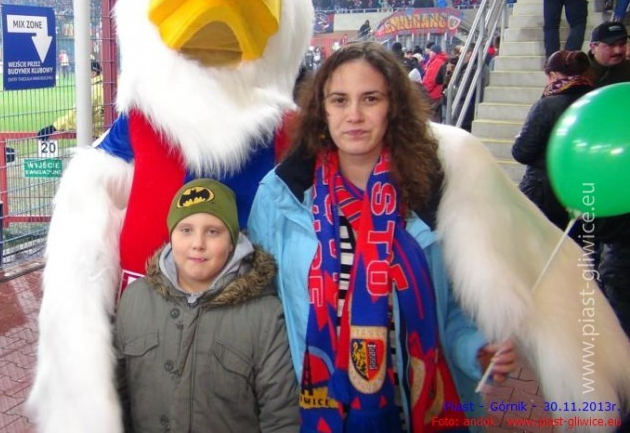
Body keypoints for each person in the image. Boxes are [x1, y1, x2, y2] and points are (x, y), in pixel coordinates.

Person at [247, 43, 517, 432]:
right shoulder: (282, 194)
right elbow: (265, 306)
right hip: (318, 410)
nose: (354, 115)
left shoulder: (436, 194)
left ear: (393, 107)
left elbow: (455, 308)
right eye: (339, 100)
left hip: (416, 410)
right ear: (322, 110)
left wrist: (475, 349)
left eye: (370, 98)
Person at [114, 178, 298, 432]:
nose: (198, 243)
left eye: (212, 231)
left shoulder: (265, 315)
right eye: (186, 230)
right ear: (171, 236)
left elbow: (282, 417)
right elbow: (115, 398)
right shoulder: (135, 299)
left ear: (232, 241)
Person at [512, 50, 595, 233]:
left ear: (554, 75)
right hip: (586, 190)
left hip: (544, 191)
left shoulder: (547, 105)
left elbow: (522, 152)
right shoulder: (597, 102)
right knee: (580, 246)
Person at [38, 59, 105, 140]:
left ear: (93, 73)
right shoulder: (106, 86)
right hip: (107, 134)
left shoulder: (90, 91)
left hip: (94, 136)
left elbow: (76, 115)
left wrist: (53, 127)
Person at [588, 21, 630, 86]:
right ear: (593, 48)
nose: (618, 51)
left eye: (622, 44)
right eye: (611, 45)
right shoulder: (578, 74)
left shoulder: (627, 69)